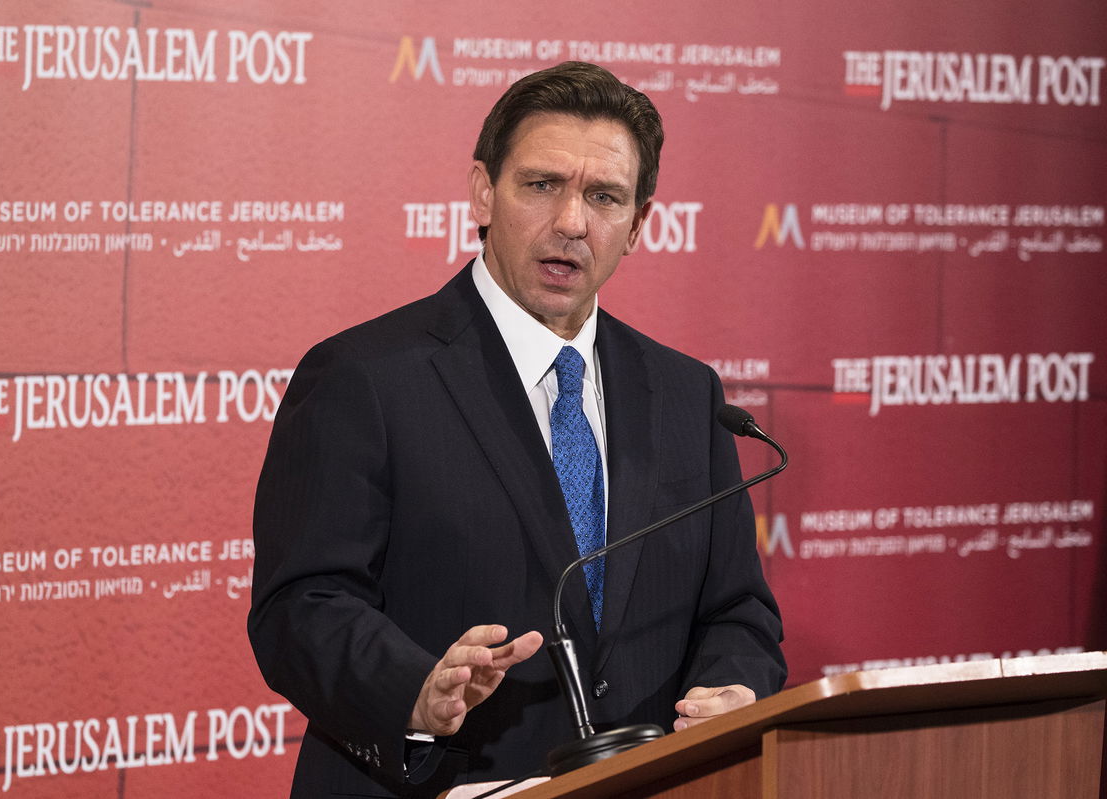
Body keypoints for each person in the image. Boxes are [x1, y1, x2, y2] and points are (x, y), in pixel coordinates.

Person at [249, 61, 785, 798]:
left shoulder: (685, 394)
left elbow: (738, 610)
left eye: (604, 197)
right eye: (541, 185)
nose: (571, 222)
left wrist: (731, 688)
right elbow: (299, 608)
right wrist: (416, 691)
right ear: (482, 192)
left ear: (637, 225)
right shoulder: (364, 378)